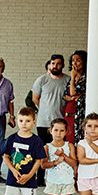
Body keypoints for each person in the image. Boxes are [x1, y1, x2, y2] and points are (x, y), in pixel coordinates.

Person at [32, 54, 69, 185]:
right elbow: (35, 98)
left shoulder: (67, 80)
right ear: (49, 64)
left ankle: (59, 177)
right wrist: (44, 109)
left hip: (60, 123)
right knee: (42, 151)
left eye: (58, 64)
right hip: (43, 122)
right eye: (53, 63)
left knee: (59, 150)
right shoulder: (42, 80)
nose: (55, 66)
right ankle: (40, 178)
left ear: (62, 65)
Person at [41, 118, 78, 195]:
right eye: (56, 130)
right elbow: (43, 165)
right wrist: (55, 162)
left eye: (62, 131)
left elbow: (74, 163)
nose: (58, 133)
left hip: (67, 182)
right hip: (53, 181)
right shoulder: (47, 147)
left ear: (66, 132)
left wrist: (63, 156)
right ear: (50, 130)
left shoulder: (69, 146)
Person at [63, 50, 87, 142]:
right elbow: (65, 95)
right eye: (73, 60)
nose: (75, 63)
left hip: (80, 112)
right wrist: (72, 97)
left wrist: (73, 77)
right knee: (68, 137)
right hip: (69, 110)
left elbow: (72, 93)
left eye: (78, 60)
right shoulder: (70, 79)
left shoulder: (86, 78)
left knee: (78, 138)